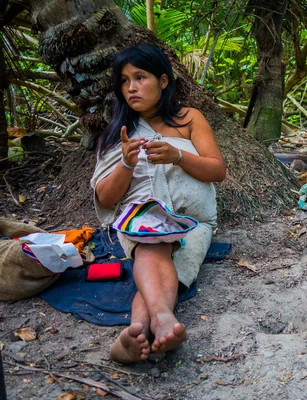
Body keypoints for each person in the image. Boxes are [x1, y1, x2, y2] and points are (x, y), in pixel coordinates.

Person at [90, 43, 226, 363]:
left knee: (160, 265)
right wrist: (125, 163)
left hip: (194, 222)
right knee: (154, 241)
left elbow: (217, 170)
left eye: (140, 77)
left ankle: (136, 330)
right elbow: (106, 198)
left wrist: (178, 155)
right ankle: (163, 318)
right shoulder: (118, 133)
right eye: (124, 81)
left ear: (163, 81)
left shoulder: (189, 119)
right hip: (140, 222)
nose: (131, 87)